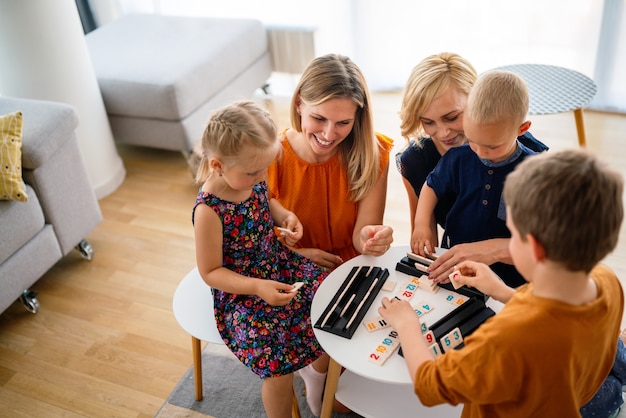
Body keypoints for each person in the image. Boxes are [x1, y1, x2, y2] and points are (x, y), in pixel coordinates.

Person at [379, 148, 624, 416]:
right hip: (572, 391)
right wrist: (500, 290)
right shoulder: (607, 281)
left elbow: (429, 386)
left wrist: (407, 325)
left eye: (512, 233)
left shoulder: (507, 337)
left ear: (535, 248)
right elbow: (554, 315)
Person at [192, 100, 329, 418]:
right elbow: (210, 271)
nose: (261, 176)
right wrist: (257, 287)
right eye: (253, 171)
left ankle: (315, 377)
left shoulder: (252, 177)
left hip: (277, 263)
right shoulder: (208, 210)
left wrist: (285, 216)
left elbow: (267, 200)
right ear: (218, 165)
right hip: (241, 291)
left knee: (329, 304)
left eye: (263, 169)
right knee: (275, 364)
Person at [396, 52, 548, 285]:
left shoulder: (534, 161)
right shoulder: (416, 161)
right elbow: (425, 239)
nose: (443, 133)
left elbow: (547, 247)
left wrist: (492, 250)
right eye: (428, 122)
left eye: (452, 117)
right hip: (461, 273)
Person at [267, 53, 395, 272]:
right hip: (291, 269)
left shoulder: (373, 153)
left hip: (352, 268)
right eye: (319, 119)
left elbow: (362, 235)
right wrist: (298, 256)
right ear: (299, 104)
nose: (328, 134)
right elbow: (252, 243)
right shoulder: (269, 156)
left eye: (343, 122)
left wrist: (368, 239)